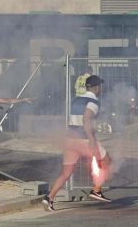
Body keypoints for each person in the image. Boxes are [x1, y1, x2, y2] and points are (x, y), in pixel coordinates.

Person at [42, 75, 112, 211]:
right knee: (107, 160)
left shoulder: (76, 100)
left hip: (70, 139)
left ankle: (49, 198)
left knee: (66, 172)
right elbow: (86, 119)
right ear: (97, 87)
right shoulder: (93, 101)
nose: (100, 89)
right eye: (100, 87)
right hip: (83, 139)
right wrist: (91, 139)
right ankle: (96, 190)